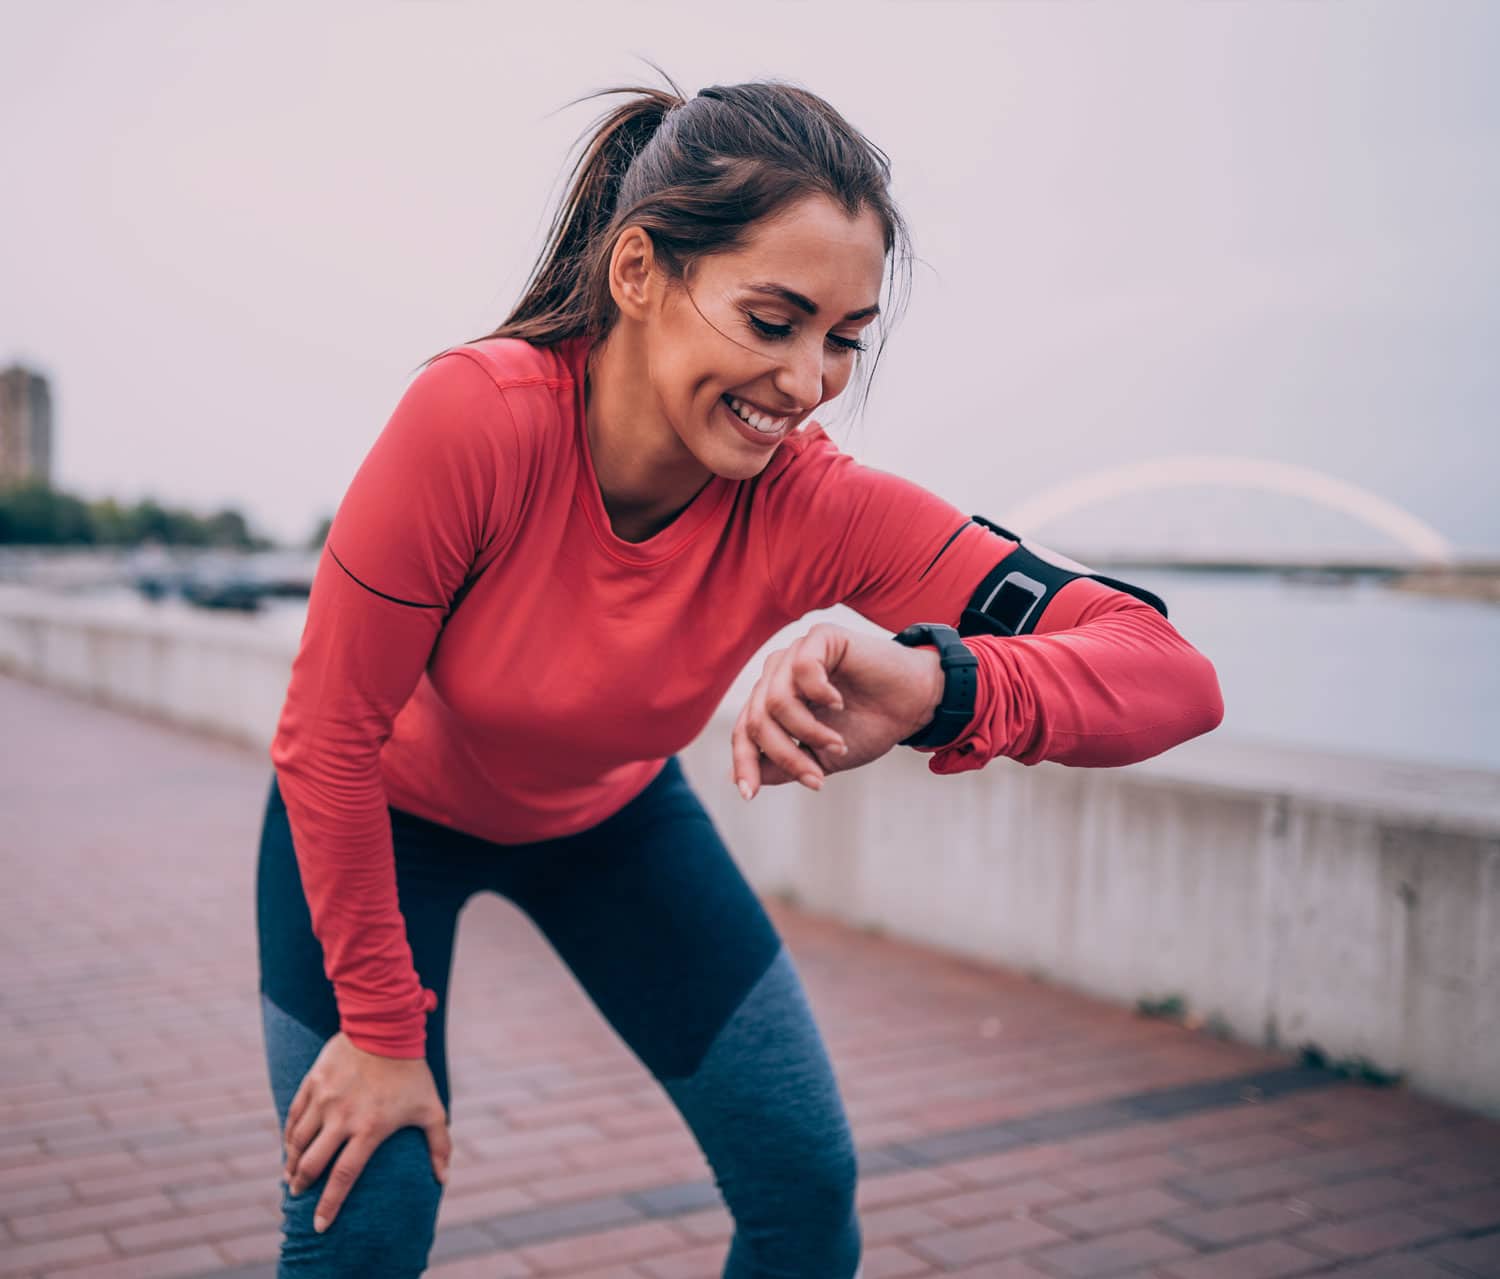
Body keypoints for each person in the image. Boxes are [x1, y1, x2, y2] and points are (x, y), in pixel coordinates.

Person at [256, 71, 1224, 1279]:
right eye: (775, 321)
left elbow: (1170, 673)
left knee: (807, 1198)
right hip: (374, 822)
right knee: (374, 1213)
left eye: (843, 341)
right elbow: (328, 734)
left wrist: (940, 684)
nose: (810, 382)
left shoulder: (815, 505)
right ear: (638, 273)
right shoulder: (478, 419)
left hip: (608, 822)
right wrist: (384, 1032)